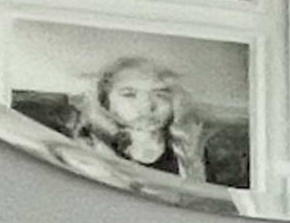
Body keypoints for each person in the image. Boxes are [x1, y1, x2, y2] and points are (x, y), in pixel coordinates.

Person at [62, 53, 208, 181]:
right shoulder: (89, 147)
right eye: (129, 95)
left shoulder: (187, 148)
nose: (146, 106)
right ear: (105, 101)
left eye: (160, 94)